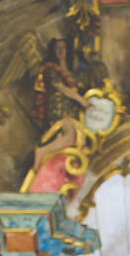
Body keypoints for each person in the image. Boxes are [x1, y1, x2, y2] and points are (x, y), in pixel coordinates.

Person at [32, 37, 93, 171]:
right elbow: (60, 87)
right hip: (59, 104)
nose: (61, 51)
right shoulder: (50, 68)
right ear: (53, 51)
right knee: (69, 135)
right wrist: (82, 101)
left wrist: (86, 60)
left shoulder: (70, 73)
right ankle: (41, 151)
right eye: (58, 48)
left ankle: (57, 161)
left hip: (71, 107)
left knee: (73, 137)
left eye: (64, 48)